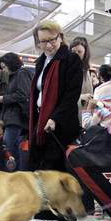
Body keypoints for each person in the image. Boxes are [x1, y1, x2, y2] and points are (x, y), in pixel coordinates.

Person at [29, 19, 83, 172]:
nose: (48, 45)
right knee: (38, 167)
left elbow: (72, 94)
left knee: (55, 170)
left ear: (60, 37)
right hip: (41, 120)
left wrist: (55, 118)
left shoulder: (71, 60)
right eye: (43, 41)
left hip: (61, 124)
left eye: (52, 39)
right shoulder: (41, 61)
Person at [0, 52, 31, 169]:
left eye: (4, 67)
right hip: (14, 119)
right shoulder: (15, 76)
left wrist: (3, 98)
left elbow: (23, 95)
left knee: (10, 151)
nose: (3, 70)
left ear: (11, 64)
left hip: (17, 120)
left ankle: (13, 177)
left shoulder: (22, 74)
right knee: (11, 151)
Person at [69, 37, 94, 120]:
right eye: (73, 51)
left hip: (82, 117)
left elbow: (90, 95)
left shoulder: (85, 71)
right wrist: (82, 97)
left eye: (79, 52)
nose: (75, 54)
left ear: (85, 54)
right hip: (69, 117)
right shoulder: (66, 70)